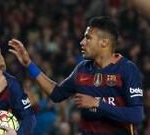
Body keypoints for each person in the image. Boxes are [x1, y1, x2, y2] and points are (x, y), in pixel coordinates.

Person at [8, 16, 143, 135]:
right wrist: (29, 64)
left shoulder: (127, 69)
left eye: (88, 38)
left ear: (104, 42)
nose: (82, 42)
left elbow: (137, 115)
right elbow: (56, 94)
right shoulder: (82, 69)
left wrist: (97, 104)